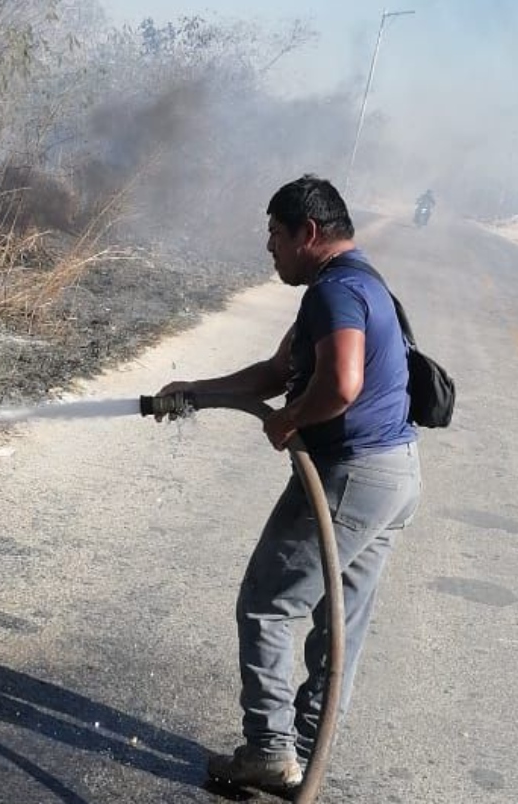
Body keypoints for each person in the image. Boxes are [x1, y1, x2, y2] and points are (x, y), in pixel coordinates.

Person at [154, 174, 422, 795]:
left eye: (275, 234)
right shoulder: (359, 282)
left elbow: (342, 384)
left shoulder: (335, 294)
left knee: (267, 602)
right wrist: (198, 393)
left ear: (307, 233)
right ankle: (301, 752)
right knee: (340, 626)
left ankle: (271, 750)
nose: (268, 247)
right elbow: (279, 371)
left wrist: (293, 418)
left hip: (352, 476)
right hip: (397, 475)